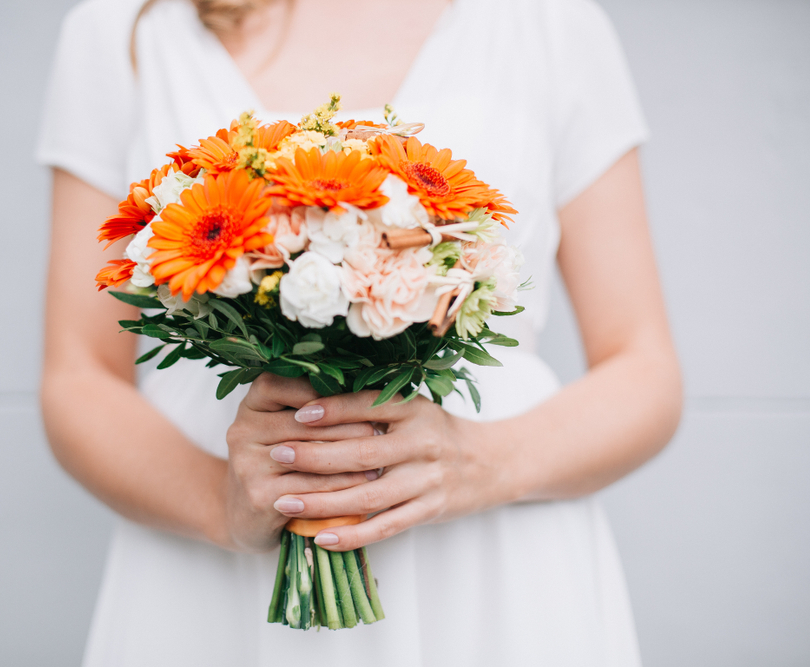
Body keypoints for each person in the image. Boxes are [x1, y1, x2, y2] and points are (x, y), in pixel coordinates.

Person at [36, 0, 683, 664]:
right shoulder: (127, 27)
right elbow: (78, 375)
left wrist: (480, 463)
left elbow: (644, 369)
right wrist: (221, 500)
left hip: (490, 571)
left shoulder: (551, 24)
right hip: (207, 575)